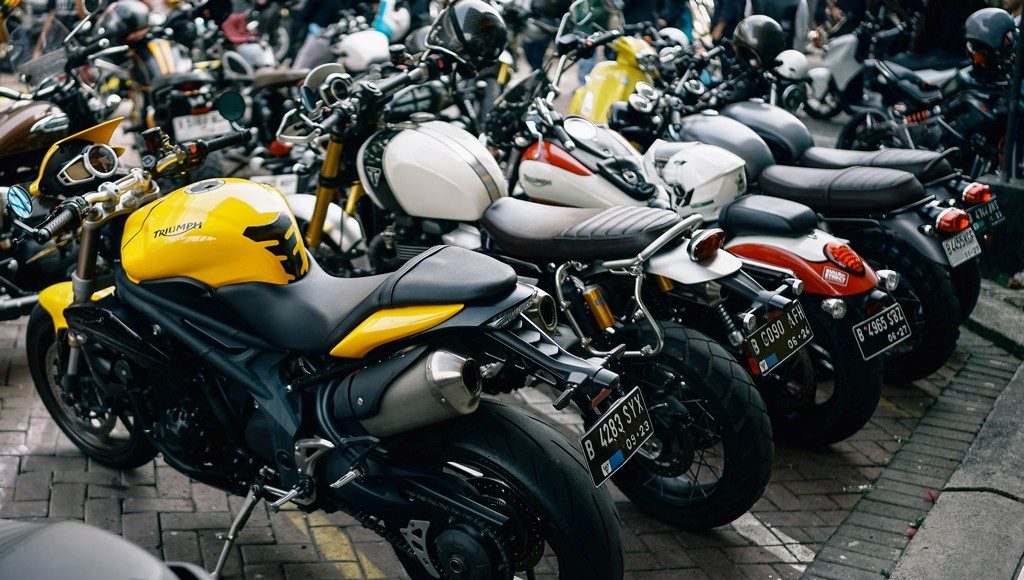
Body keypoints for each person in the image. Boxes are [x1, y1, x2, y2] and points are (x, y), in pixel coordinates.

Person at [292, 0, 344, 69]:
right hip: (334, 37)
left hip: (320, 35)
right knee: (321, 69)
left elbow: (305, 15)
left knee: (301, 68)